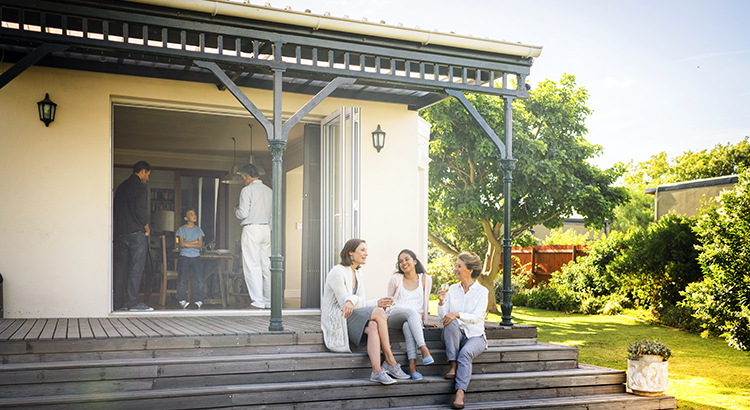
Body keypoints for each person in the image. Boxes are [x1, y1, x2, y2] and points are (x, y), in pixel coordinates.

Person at [320, 238, 411, 385]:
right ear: (350, 253)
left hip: (352, 314)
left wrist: (352, 300)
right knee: (380, 312)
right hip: (339, 316)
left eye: (366, 250)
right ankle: (390, 360)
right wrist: (373, 302)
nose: (366, 254)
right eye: (362, 250)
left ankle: (376, 371)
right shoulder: (337, 272)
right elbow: (345, 304)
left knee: (373, 326)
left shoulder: (358, 273)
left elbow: (359, 301)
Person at [437, 252, 489, 409]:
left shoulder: (482, 292)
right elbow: (442, 319)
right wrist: (441, 302)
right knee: (450, 323)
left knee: (465, 353)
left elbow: (477, 318)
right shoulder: (452, 289)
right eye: (456, 266)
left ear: (470, 270)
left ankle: (460, 393)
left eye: (459, 266)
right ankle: (453, 365)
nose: (455, 269)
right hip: (454, 334)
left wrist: (457, 313)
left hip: (476, 336)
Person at [386, 249, 435, 380]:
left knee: (409, 325)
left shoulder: (425, 279)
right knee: (410, 312)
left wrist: (424, 320)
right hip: (394, 315)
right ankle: (424, 349)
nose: (404, 263)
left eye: (407, 259)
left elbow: (426, 302)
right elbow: (389, 302)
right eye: (400, 261)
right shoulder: (396, 278)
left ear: (415, 261)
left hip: (414, 318)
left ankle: (412, 368)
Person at [113, 161, 154, 311]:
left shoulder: (121, 187)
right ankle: (133, 303)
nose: (147, 179)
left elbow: (115, 210)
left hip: (122, 233)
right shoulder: (140, 187)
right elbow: (140, 210)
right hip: (136, 233)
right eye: (147, 175)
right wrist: (147, 227)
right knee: (137, 267)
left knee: (122, 268)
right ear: (142, 171)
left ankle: (118, 303)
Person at [233, 163, 272, 309]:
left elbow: (243, 213)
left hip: (251, 229)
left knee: (252, 266)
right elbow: (273, 214)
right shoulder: (269, 191)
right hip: (266, 229)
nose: (243, 180)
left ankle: (257, 301)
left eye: (243, 178)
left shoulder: (247, 190)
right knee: (266, 267)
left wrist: (236, 211)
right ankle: (268, 301)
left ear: (247, 177)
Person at [176, 207, 205, 309]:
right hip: (184, 257)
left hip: (196, 257)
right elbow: (181, 244)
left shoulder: (198, 230)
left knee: (199, 279)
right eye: (191, 214)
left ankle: (199, 300)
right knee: (182, 279)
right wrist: (194, 242)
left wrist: (187, 243)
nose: (194, 216)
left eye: (194, 214)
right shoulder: (181, 229)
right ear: (185, 218)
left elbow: (200, 245)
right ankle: (182, 300)